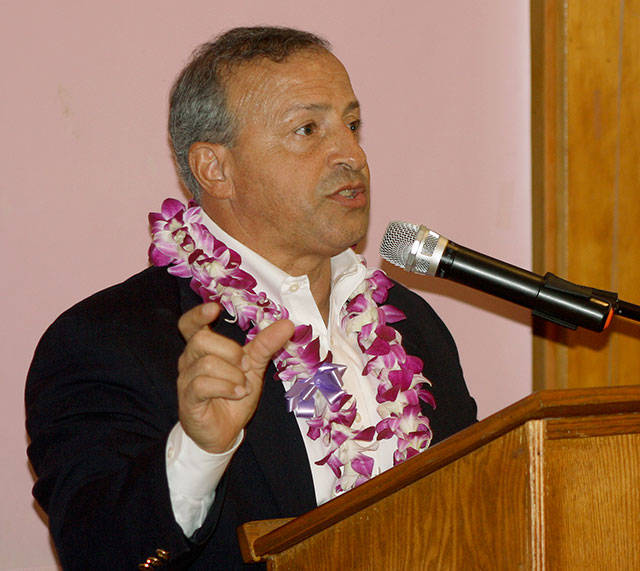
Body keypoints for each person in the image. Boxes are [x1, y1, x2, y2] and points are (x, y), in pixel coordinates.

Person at [26, 27, 477, 569]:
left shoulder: (410, 324)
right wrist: (198, 451)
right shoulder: (106, 341)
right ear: (215, 169)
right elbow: (100, 552)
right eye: (307, 130)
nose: (351, 154)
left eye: (352, 125)